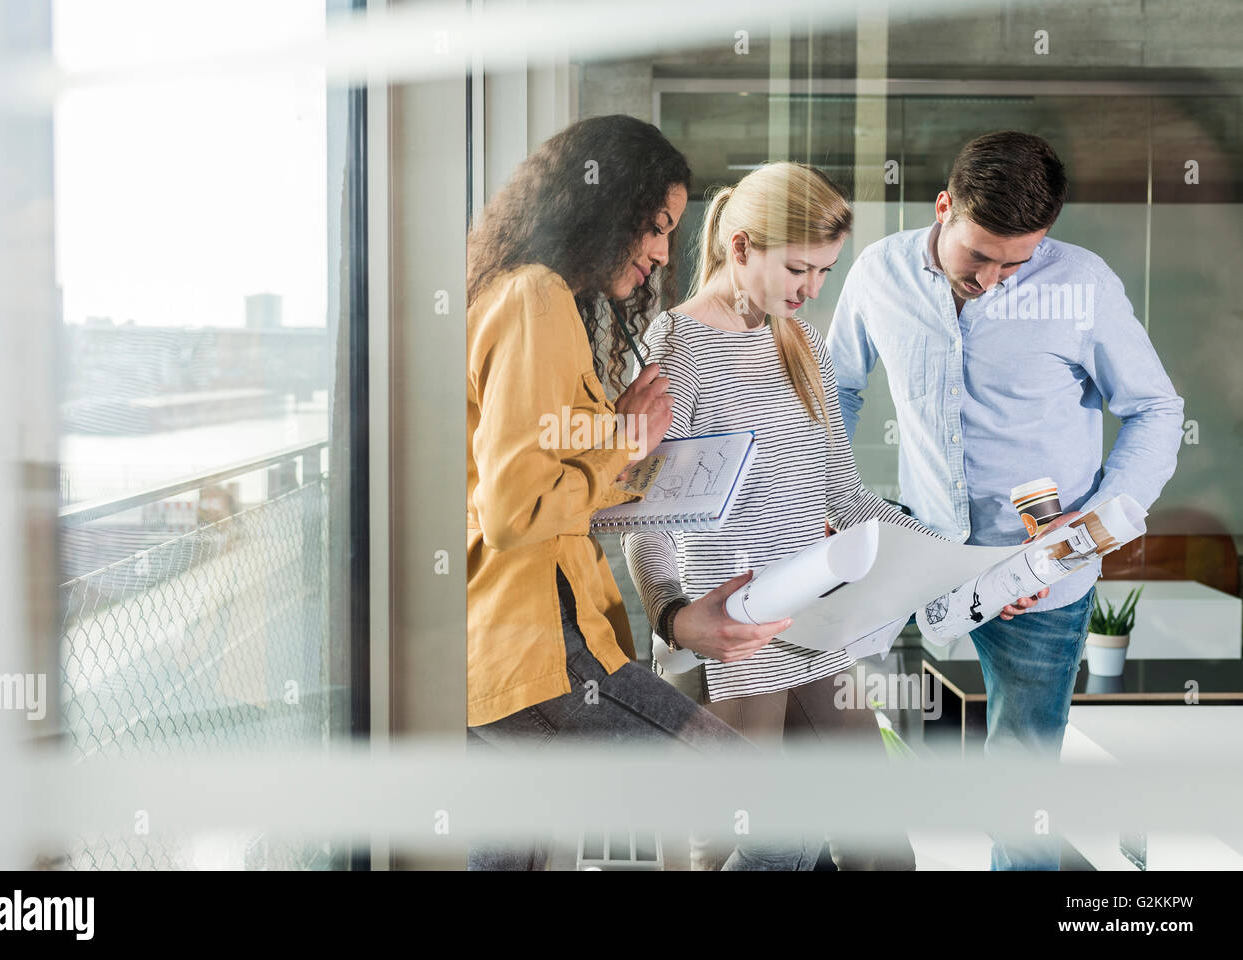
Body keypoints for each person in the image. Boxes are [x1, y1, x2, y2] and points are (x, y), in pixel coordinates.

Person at [825, 131, 1184, 870]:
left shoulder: (1085, 287)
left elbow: (1155, 409)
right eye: (979, 257)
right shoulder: (878, 273)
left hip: (1041, 579)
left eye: (1016, 261)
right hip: (915, 550)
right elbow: (839, 387)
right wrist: (830, 491)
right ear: (944, 207)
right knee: (833, 733)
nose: (993, 279)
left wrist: (1087, 528)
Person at [465, 115, 814, 870]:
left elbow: (544, 484)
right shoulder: (535, 298)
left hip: (503, 659)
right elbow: (511, 508)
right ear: (603, 205)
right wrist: (624, 442)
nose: (661, 252)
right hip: (545, 653)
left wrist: (637, 469)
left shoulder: (515, 294)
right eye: (655, 227)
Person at [623, 161, 972, 871]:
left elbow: (846, 499)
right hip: (727, 647)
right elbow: (645, 520)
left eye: (824, 271)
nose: (813, 290)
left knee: (882, 851)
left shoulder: (804, 344)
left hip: (813, 638)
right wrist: (673, 617)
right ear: (742, 246)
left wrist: (955, 558)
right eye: (800, 269)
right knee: (729, 859)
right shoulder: (676, 346)